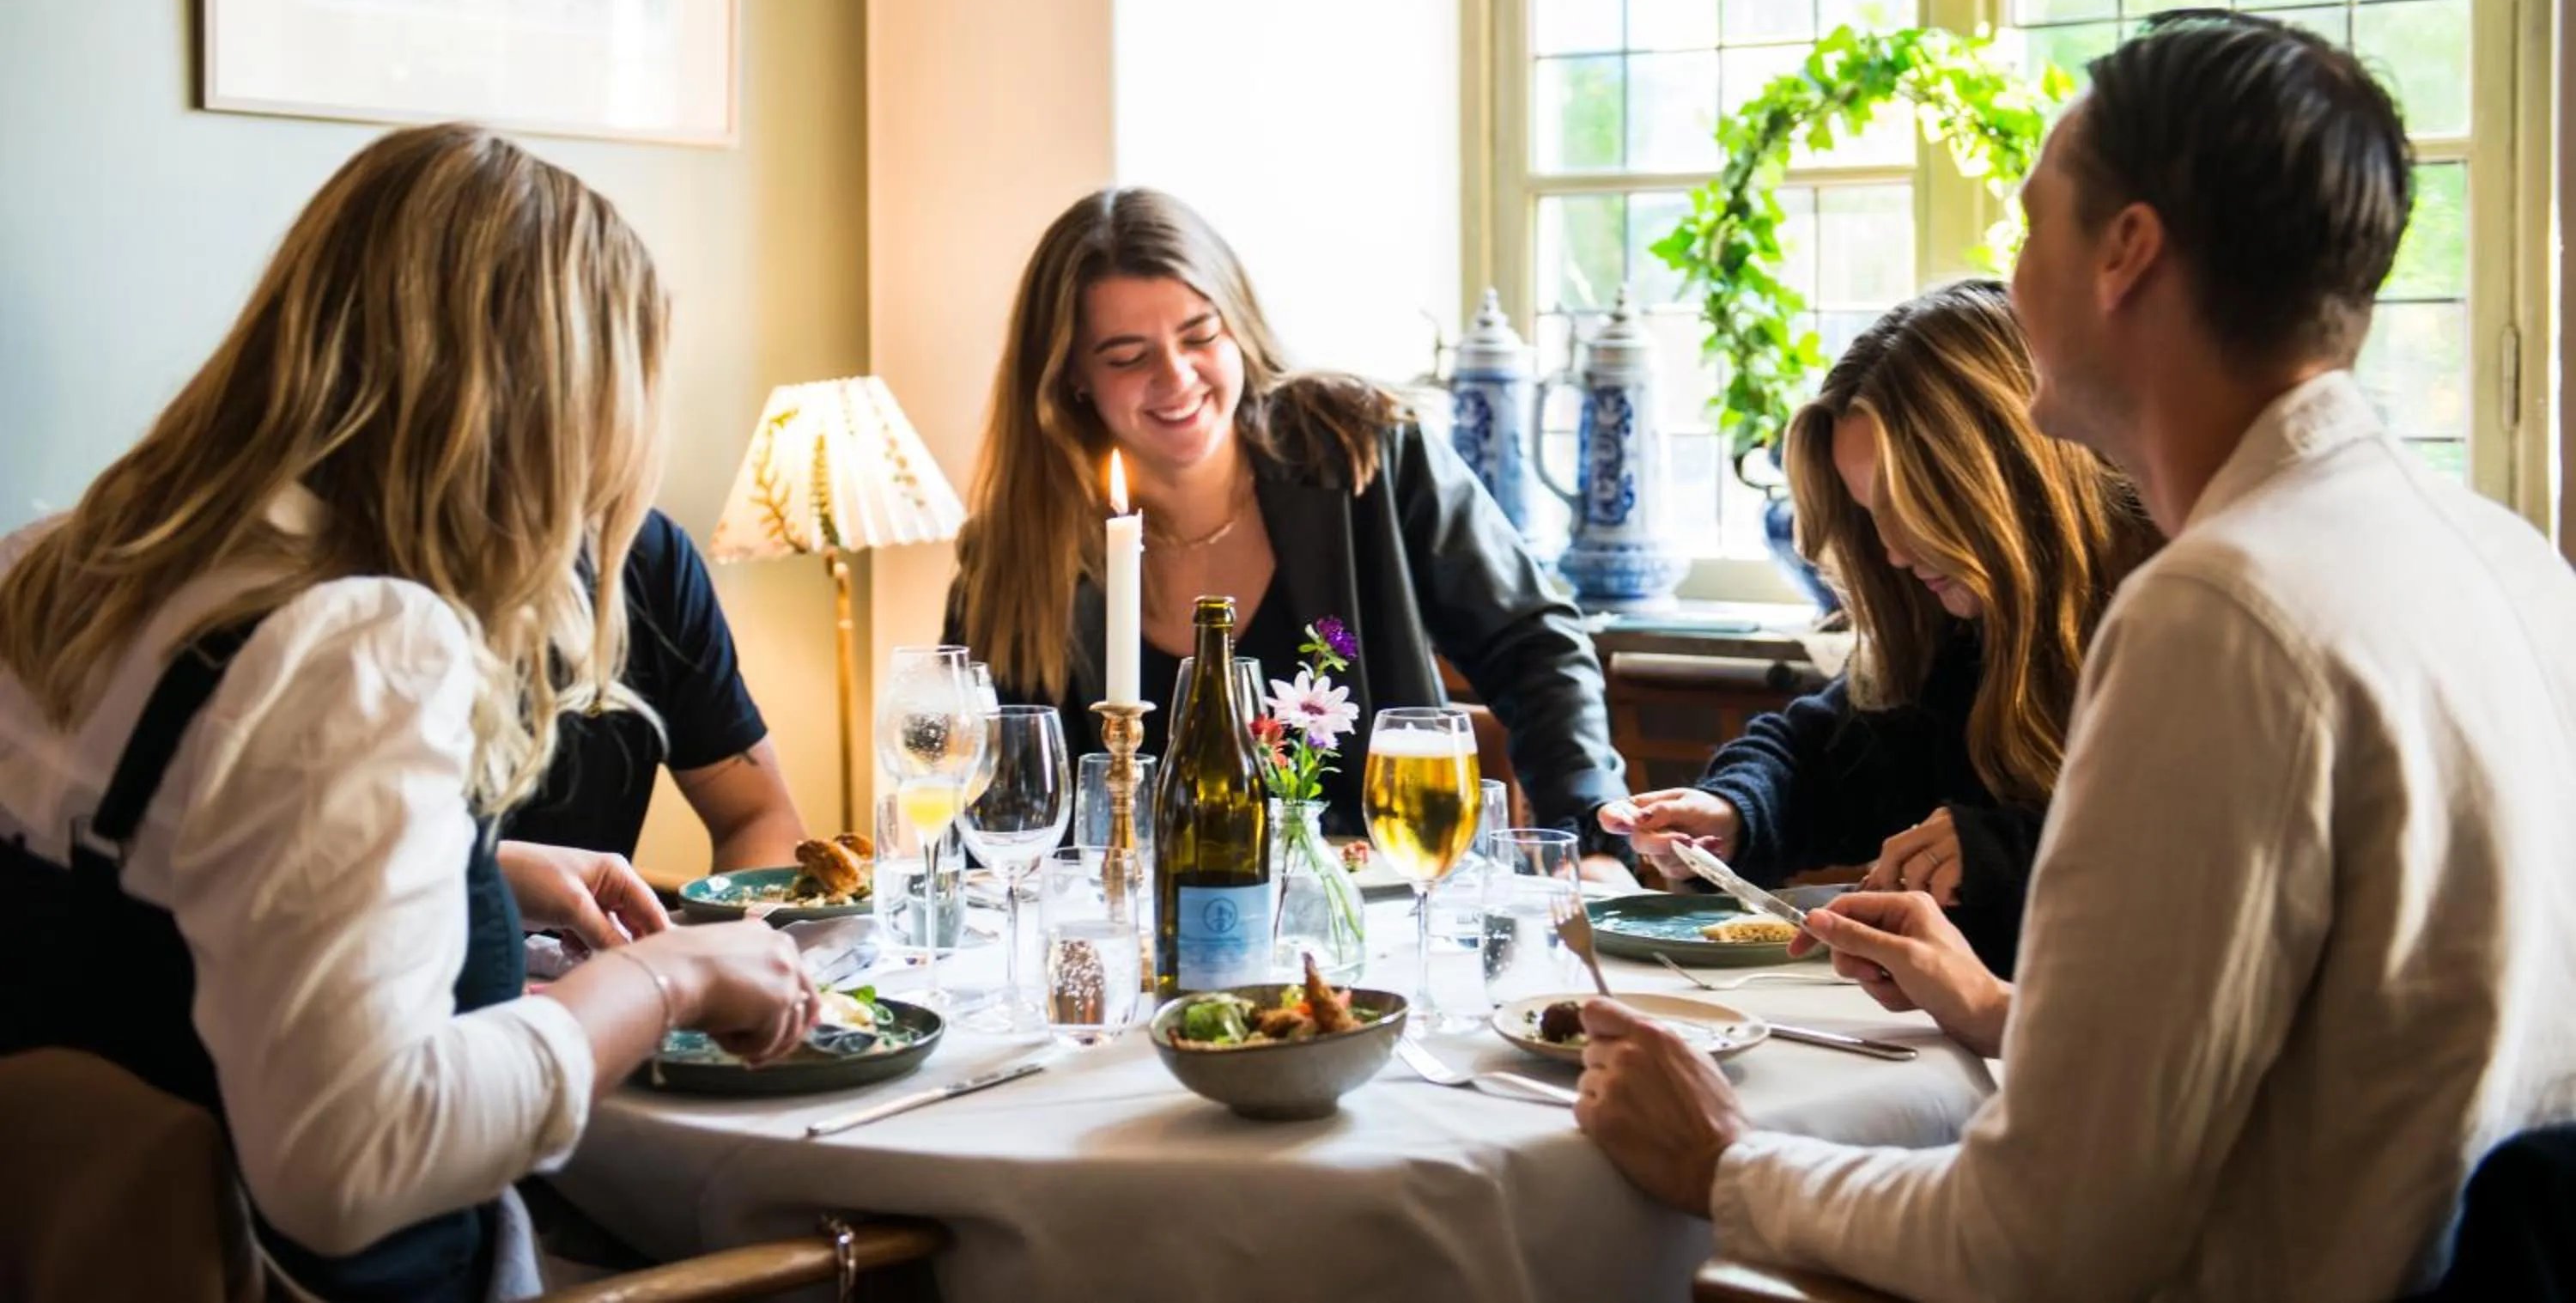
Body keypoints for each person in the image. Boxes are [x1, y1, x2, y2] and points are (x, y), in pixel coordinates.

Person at [1573, 12, 2576, 1301]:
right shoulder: (2509, 558)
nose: (2009, 271)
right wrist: (2000, 1016)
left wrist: (1726, 1161)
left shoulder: (2218, 612)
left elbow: (2039, 1240)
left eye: (2027, 226)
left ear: (2126, 252)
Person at [0, 125, 819, 1302]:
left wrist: (487, 870)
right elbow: (354, 1157)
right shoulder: (362, 647)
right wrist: (667, 982)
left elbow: (186, 867)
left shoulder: (63, 570)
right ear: (544, 415)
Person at [946, 186, 1633, 872]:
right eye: (1128, 356)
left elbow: (1534, 645)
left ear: (1238, 325)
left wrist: (1594, 836)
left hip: (1383, 917)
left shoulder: (1362, 451)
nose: (1177, 376)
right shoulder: (1013, 554)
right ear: (1071, 375)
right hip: (1129, 944)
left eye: (1200, 335)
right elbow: (980, 798)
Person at [1598, 278, 2158, 972]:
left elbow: (2198, 859)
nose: (1890, 551)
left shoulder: (2176, 612)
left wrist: (2009, 851)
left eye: (1908, 504)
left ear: (2003, 481)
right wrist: (1732, 811)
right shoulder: (1954, 630)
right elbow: (1817, 754)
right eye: (1870, 512)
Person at [506, 507, 806, 873]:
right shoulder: (418, 596)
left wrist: (742, 926)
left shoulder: (652, 556)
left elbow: (758, 818)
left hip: (603, 932)